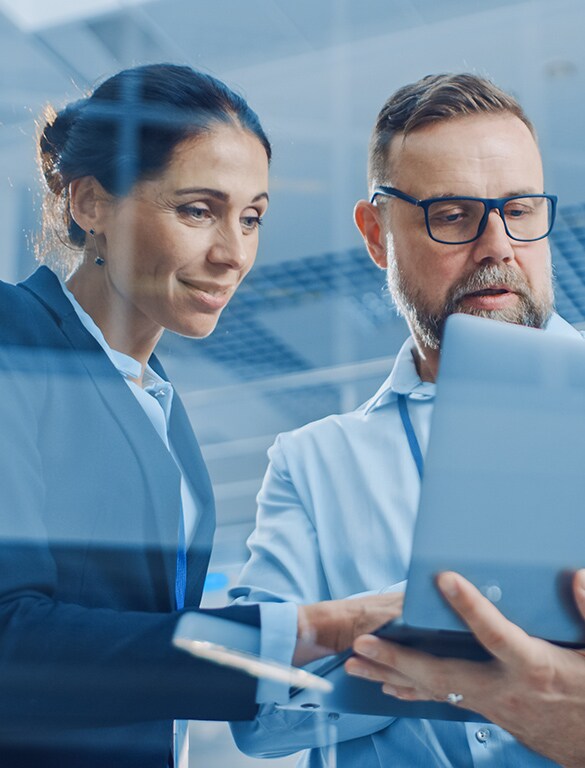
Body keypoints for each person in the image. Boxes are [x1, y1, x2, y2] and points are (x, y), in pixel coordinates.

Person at [0, 63, 400, 768]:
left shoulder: (164, 411)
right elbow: (11, 639)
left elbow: (147, 654)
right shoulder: (14, 335)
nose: (233, 253)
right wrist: (315, 626)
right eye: (197, 211)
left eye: (251, 218)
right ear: (90, 202)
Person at [230, 73, 582, 767]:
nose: (496, 246)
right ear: (376, 234)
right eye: (452, 215)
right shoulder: (312, 463)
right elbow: (254, 711)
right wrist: (418, 631)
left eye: (518, 209)